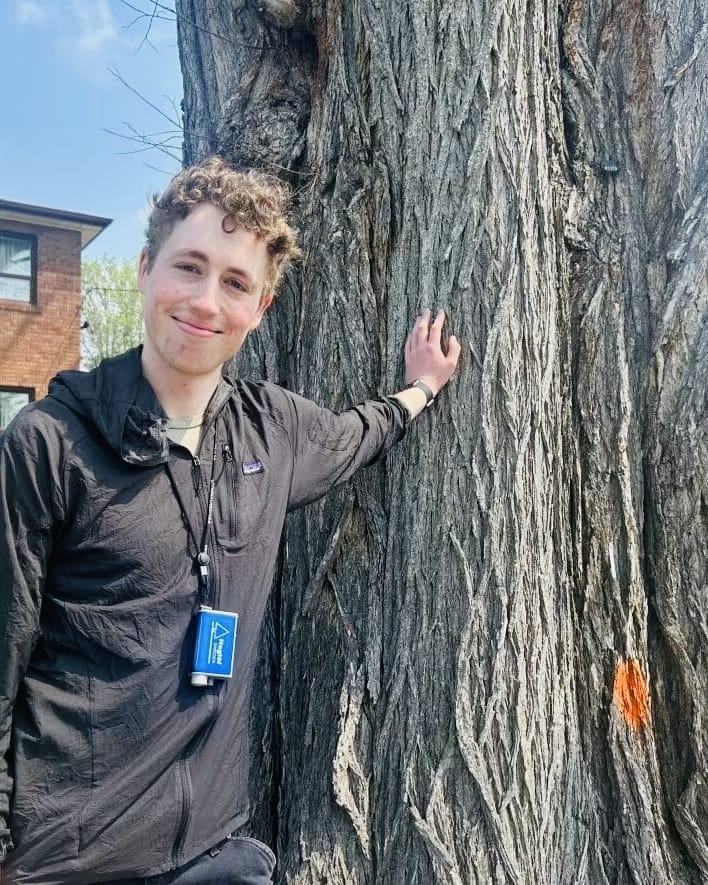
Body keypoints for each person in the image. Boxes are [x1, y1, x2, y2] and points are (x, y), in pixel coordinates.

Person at [0, 157, 461, 885]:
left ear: (261, 307)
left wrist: (421, 391)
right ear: (147, 268)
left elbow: (353, 436)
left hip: (213, 850)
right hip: (69, 859)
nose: (206, 301)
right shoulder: (47, 443)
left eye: (235, 282)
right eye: (189, 266)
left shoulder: (271, 431)